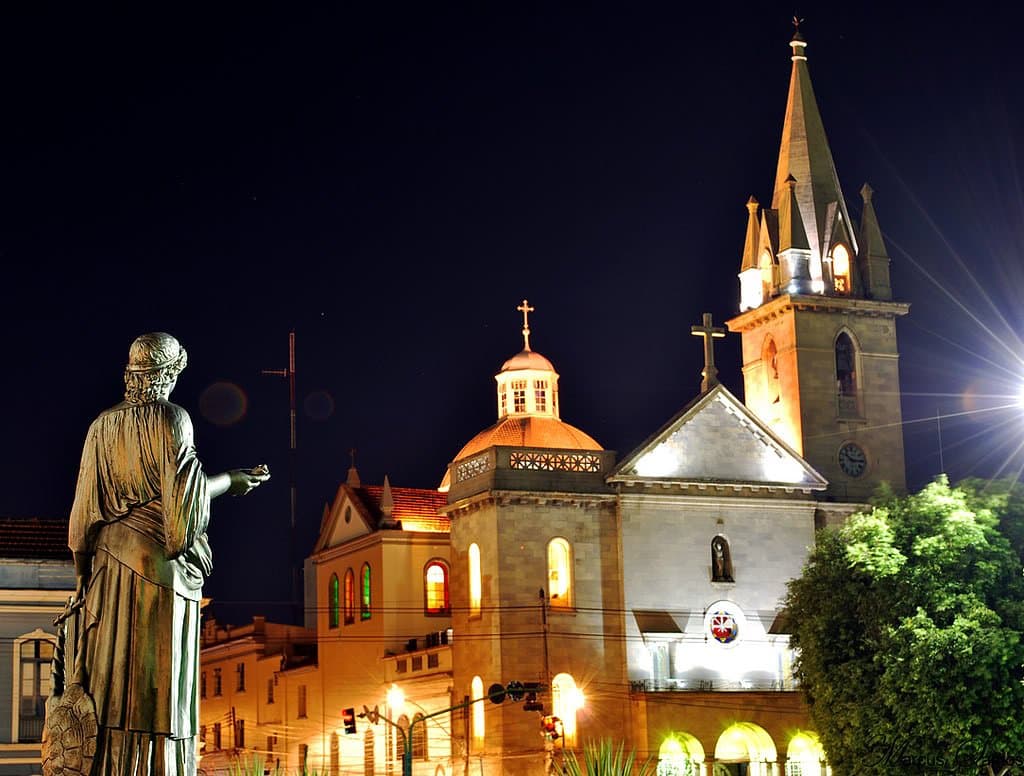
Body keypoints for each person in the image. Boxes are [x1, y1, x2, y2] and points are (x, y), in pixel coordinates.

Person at [67, 332, 270, 775]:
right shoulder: (172, 419)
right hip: (159, 575)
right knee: (159, 698)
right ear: (168, 374)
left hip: (105, 574)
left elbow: (82, 520)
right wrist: (231, 482)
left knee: (111, 695)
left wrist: (84, 582)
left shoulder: (101, 426)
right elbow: (182, 512)